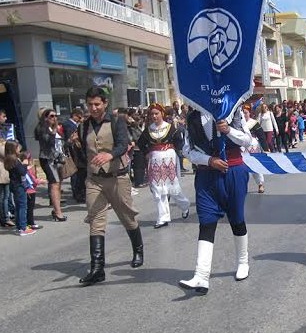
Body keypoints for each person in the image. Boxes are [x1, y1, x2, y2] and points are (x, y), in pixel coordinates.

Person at [179, 107, 253, 295]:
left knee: (236, 218)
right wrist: (208, 160)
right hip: (206, 175)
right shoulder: (193, 116)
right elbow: (187, 150)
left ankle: (243, 262)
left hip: (233, 171)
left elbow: (247, 140)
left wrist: (229, 130)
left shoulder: (233, 111)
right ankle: (201, 276)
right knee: (206, 221)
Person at [76, 87, 144, 286]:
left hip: (117, 177)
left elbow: (124, 144)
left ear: (105, 103)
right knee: (96, 219)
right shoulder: (83, 126)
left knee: (126, 216)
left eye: (97, 104)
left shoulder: (116, 122)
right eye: (90, 104)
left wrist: (110, 154)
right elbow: (83, 152)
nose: (93, 108)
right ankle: (97, 268)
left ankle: (138, 250)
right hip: (94, 179)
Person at [137, 103, 190, 229]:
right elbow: (141, 142)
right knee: (158, 189)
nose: (154, 116)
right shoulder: (148, 130)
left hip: (169, 159)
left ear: (162, 114)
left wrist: (176, 153)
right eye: (152, 114)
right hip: (154, 161)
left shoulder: (171, 128)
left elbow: (179, 142)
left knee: (172, 187)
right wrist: (146, 153)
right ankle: (163, 217)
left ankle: (185, 205)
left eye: (157, 113)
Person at [35, 108, 67, 221]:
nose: (54, 118)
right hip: (47, 158)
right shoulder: (42, 128)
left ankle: (56, 209)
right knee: (54, 183)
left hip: (57, 158)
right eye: (51, 116)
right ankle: (58, 212)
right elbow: (48, 141)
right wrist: (53, 131)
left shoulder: (54, 128)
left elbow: (60, 142)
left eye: (55, 116)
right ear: (45, 118)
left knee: (58, 184)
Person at [3, 141, 36, 236]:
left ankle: (19, 226)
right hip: (19, 185)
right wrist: (25, 164)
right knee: (22, 206)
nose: (19, 150)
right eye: (17, 148)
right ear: (13, 149)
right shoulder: (14, 160)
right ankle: (23, 227)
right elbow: (22, 172)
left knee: (18, 206)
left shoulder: (10, 159)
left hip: (14, 184)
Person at [0, 138, 14, 228]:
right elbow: (6, 153)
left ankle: (6, 215)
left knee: (6, 196)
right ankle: (5, 218)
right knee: (3, 197)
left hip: (5, 172)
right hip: (2, 173)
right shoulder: (1, 145)